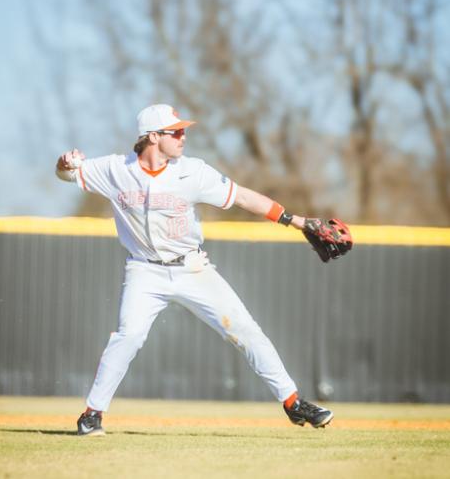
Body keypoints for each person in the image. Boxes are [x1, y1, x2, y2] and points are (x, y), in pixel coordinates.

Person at [55, 104, 333, 436]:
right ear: (153, 137)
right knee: (128, 336)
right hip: (144, 272)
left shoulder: (192, 172)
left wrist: (297, 221)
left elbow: (242, 197)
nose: (183, 136)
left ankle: (292, 402)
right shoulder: (116, 169)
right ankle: (92, 414)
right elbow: (69, 173)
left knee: (245, 330)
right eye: (176, 131)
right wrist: (64, 164)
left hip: (193, 268)